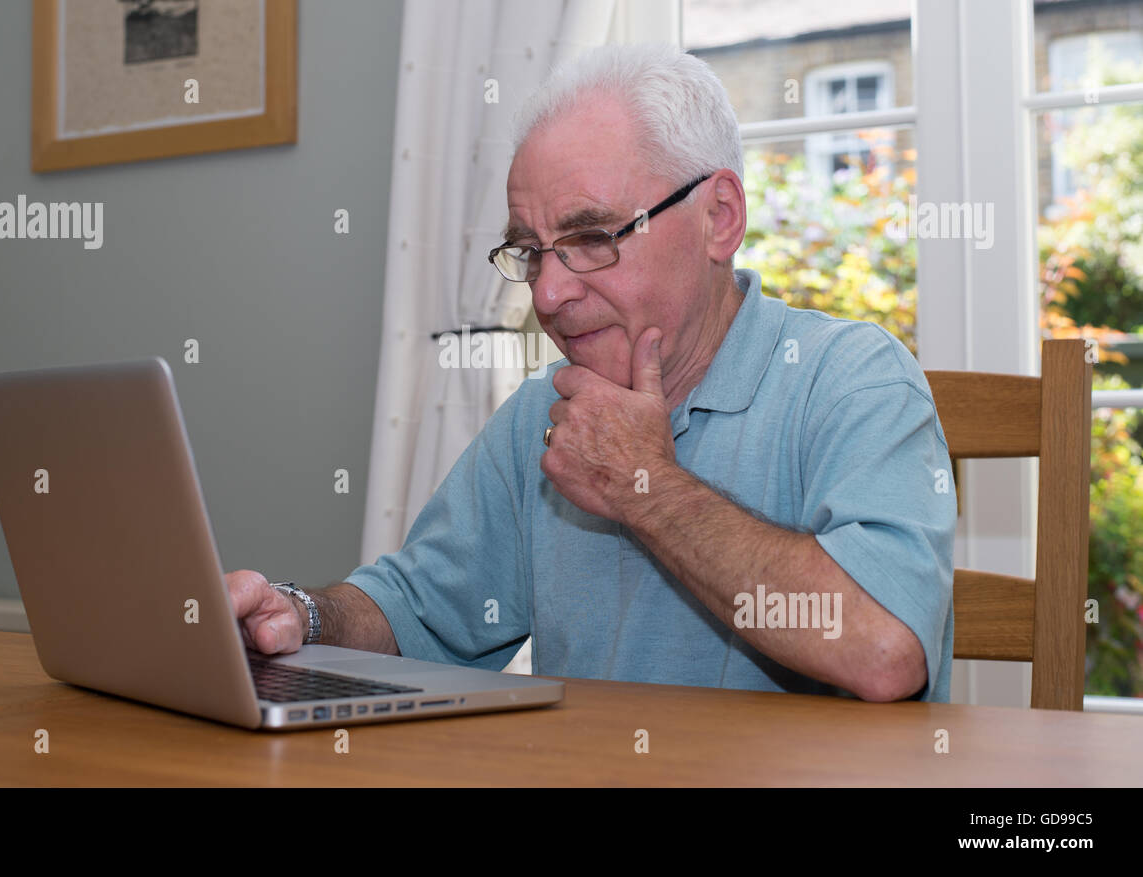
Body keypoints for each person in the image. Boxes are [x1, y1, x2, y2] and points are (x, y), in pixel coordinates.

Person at [228, 44, 956, 703]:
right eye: (533, 251)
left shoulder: (854, 379)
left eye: (588, 237)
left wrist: (645, 486)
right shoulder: (544, 412)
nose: (547, 294)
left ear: (720, 217)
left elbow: (884, 647)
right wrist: (301, 614)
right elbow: (416, 609)